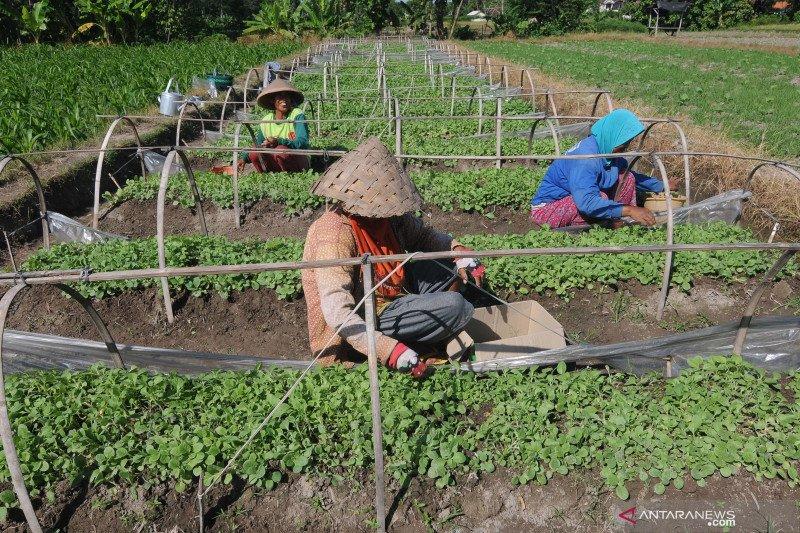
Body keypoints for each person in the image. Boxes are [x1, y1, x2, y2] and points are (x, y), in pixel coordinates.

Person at [301, 137, 485, 377]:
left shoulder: (389, 217)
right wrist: (389, 350)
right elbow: (337, 311)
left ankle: (427, 324)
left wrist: (458, 252)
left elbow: (424, 237)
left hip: (396, 288)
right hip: (367, 311)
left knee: (448, 267)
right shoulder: (333, 234)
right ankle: (421, 333)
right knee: (456, 306)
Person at [530, 109, 678, 229]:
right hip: (548, 210)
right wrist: (630, 210)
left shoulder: (606, 150)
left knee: (627, 178)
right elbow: (587, 203)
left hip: (579, 199)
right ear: (613, 135)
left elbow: (632, 176)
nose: (625, 148)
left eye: (627, 143)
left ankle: (618, 220)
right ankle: (601, 227)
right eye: (623, 143)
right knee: (600, 197)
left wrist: (662, 185)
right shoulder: (585, 159)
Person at [242, 78, 310, 173]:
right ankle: (266, 175)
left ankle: (290, 177)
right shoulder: (266, 120)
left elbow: (302, 142)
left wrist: (279, 141)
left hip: (298, 162)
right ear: (272, 101)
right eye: (280, 97)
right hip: (276, 162)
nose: (284, 100)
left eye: (287, 97)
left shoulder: (297, 115)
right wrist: (244, 158)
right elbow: (258, 144)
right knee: (254, 153)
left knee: (281, 150)